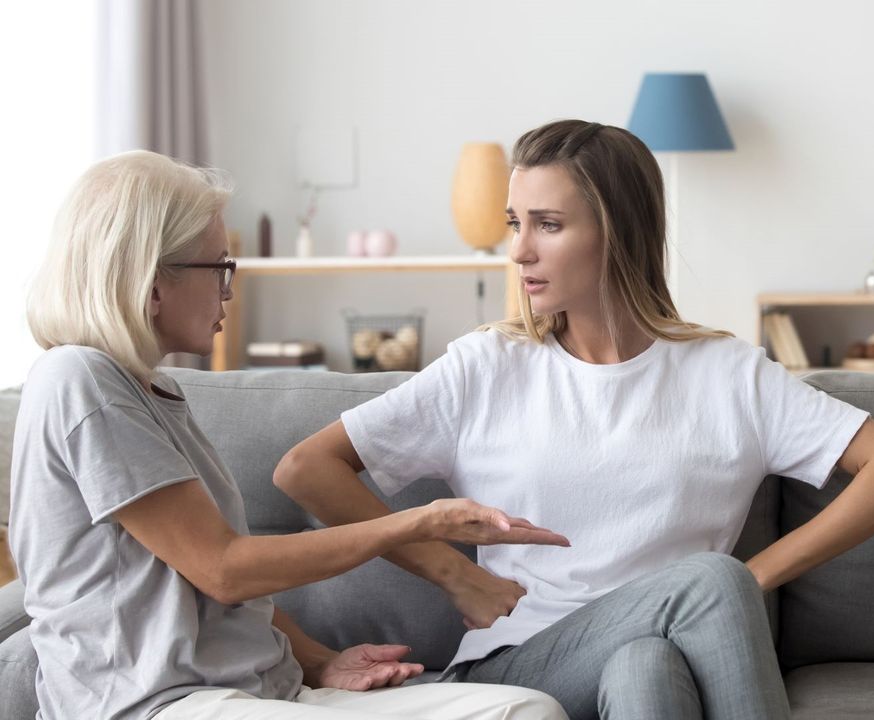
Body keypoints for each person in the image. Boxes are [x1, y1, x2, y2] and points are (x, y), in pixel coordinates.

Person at [274, 119, 874, 720]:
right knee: (707, 583)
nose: (519, 251)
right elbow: (307, 469)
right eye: (515, 223)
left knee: (645, 663)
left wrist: (750, 581)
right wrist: (453, 573)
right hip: (520, 666)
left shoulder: (728, 373)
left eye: (548, 225)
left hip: (667, 652)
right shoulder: (488, 366)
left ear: (617, 231)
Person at [11, 150, 570, 720]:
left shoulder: (152, 394)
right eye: (218, 268)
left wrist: (322, 662)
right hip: (155, 706)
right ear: (153, 283)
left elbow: (210, 589)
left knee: (529, 710)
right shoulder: (77, 379)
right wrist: (423, 520)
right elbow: (224, 569)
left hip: (260, 697)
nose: (228, 290)